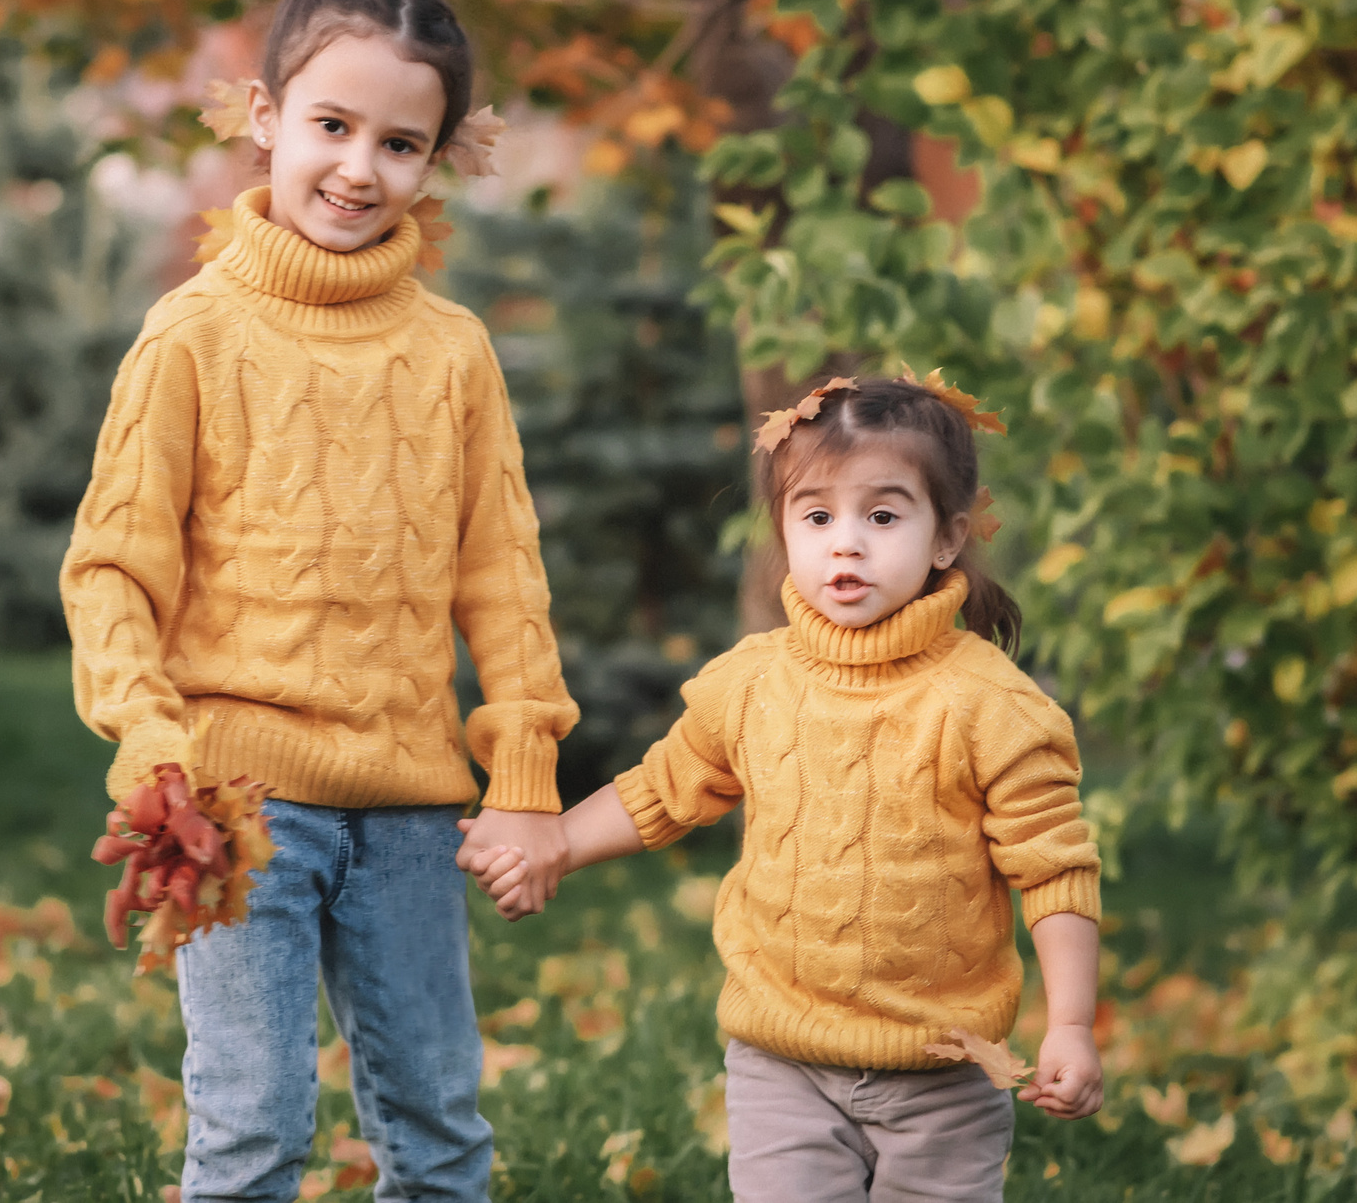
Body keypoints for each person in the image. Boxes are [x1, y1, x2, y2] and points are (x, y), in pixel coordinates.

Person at [61, 0, 577, 1202]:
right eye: (331, 126)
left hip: (406, 810)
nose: (358, 167)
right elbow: (112, 568)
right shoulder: (190, 334)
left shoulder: (452, 349)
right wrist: (148, 740)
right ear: (262, 116)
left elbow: (503, 577)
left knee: (439, 1129)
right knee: (251, 1129)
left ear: (438, 158)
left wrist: (523, 779)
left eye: (400, 142)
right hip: (239, 808)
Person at [463, 373, 1104, 1203]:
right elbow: (662, 790)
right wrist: (549, 845)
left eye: (882, 515)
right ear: (785, 532)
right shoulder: (751, 682)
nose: (846, 543)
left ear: (946, 537)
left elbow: (1053, 869)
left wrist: (1072, 1024)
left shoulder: (995, 707)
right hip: (782, 1060)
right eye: (817, 516)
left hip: (942, 1072)